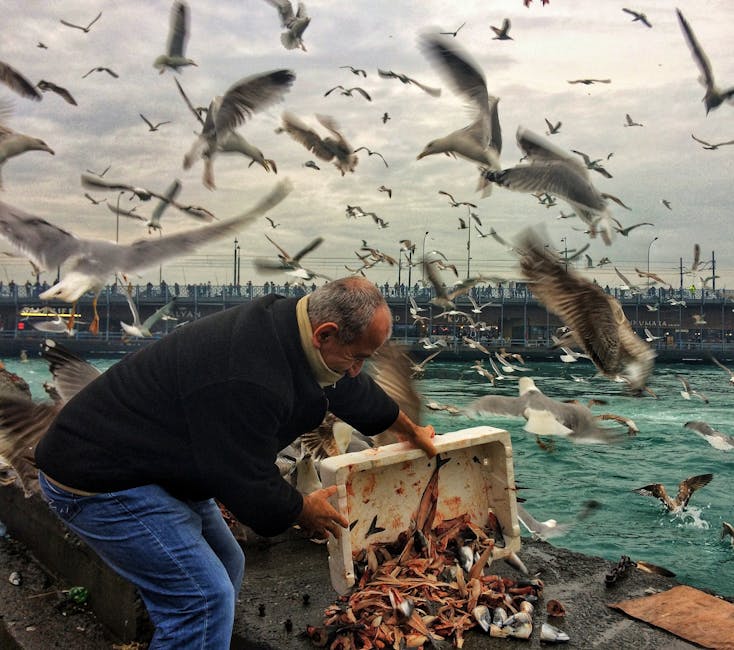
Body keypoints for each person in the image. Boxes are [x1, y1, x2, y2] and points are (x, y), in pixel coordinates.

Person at [35, 276, 436, 649]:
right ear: (325, 333)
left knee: (227, 563)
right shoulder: (247, 377)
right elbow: (244, 478)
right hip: (101, 478)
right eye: (357, 357)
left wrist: (408, 430)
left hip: (161, 461)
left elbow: (351, 389)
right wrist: (302, 508)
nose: (356, 368)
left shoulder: (291, 329)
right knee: (202, 599)